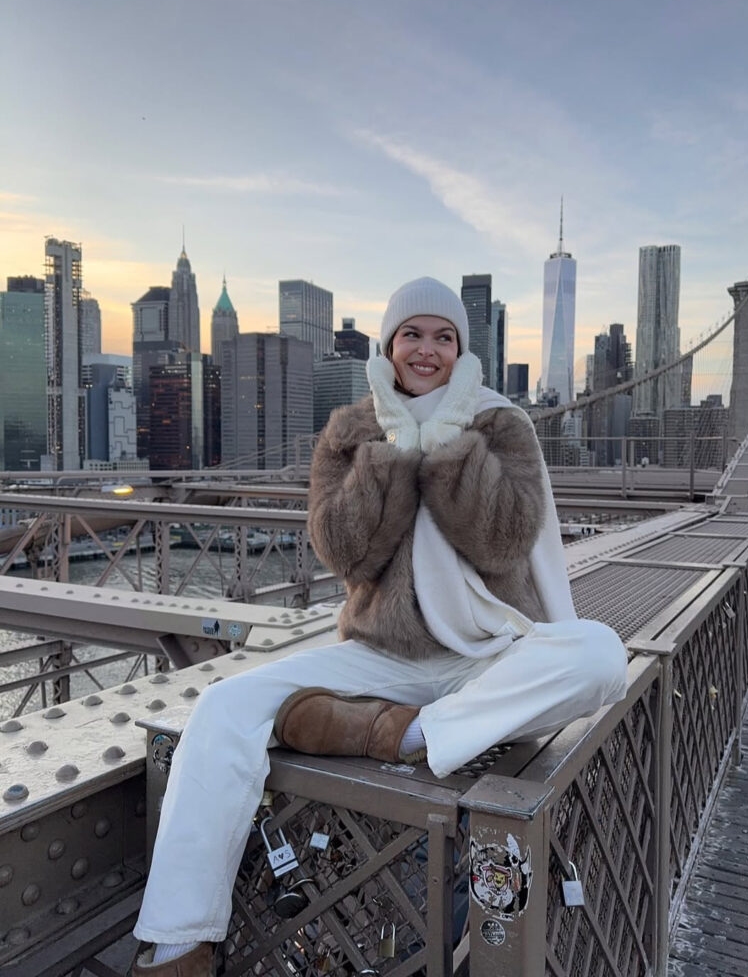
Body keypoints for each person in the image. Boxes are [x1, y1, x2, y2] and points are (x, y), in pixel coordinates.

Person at [132, 277, 628, 976]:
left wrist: (450, 442)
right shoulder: (348, 431)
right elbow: (342, 551)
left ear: (461, 348)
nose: (427, 350)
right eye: (412, 335)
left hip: (485, 654)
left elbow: (504, 542)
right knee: (223, 705)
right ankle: (181, 942)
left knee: (601, 655)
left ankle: (401, 734)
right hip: (380, 654)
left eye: (443, 337)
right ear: (388, 345)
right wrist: (393, 452)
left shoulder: (502, 424)